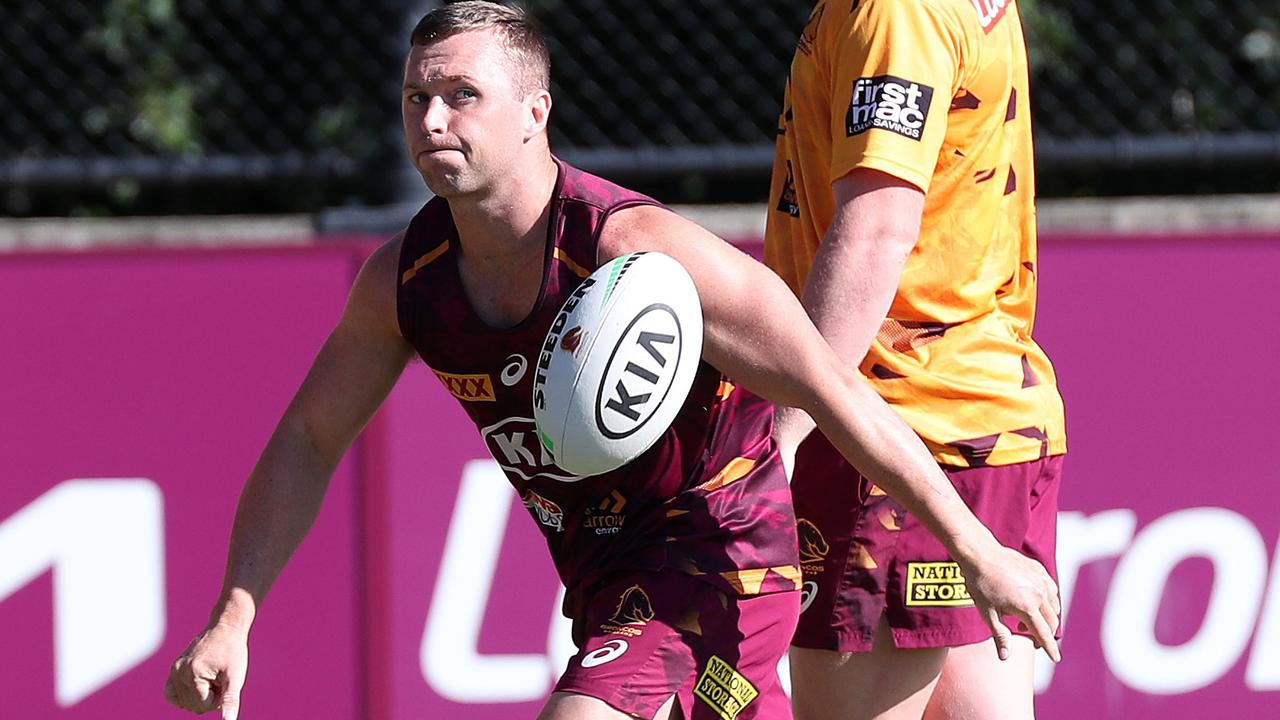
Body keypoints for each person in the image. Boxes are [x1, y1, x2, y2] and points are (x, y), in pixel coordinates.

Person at [164, 3, 1058, 719]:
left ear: (536, 111)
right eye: (414, 99)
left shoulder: (641, 252)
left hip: (719, 560)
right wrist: (231, 619)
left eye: (461, 95)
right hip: (602, 581)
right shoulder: (406, 279)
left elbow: (833, 388)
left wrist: (973, 547)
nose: (431, 120)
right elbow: (308, 439)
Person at [764, 0, 1069, 718]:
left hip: (889, 426)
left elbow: (876, 232)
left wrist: (778, 436)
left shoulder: (895, 10)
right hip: (987, 415)